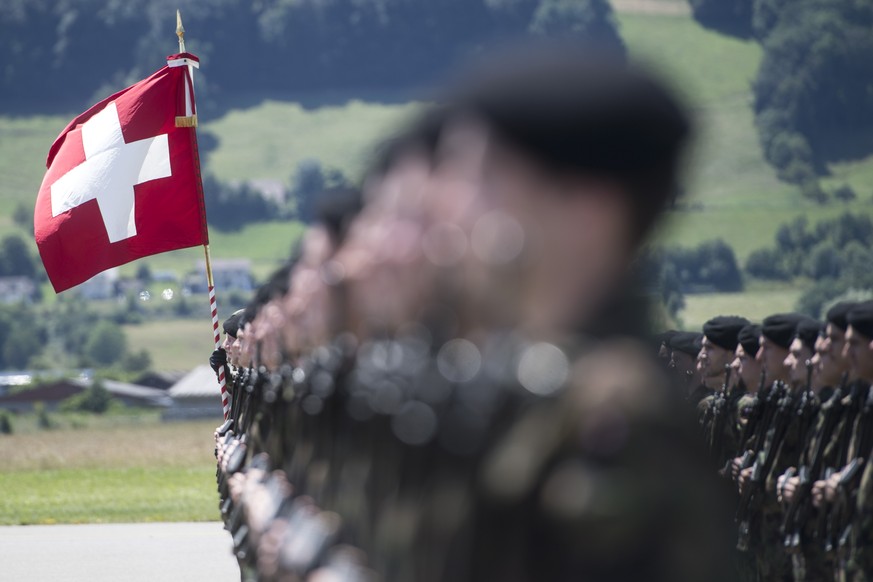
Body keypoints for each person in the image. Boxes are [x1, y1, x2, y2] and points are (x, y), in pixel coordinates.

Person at [217, 42, 735, 582]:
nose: (456, 212)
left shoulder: (617, 422)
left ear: (586, 209)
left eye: (486, 178)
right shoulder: (536, 388)